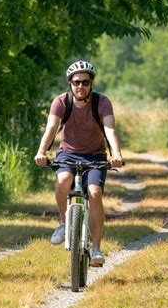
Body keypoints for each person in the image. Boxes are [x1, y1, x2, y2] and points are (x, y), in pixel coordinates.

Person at [34, 60, 123, 267]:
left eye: (85, 82)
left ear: (91, 83)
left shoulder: (102, 102)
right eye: (76, 82)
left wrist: (116, 154)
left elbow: (109, 130)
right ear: (70, 83)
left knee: (94, 192)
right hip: (68, 155)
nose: (80, 86)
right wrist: (41, 152)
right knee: (63, 179)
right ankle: (63, 224)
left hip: (95, 156)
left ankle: (96, 248)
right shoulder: (61, 102)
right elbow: (51, 128)